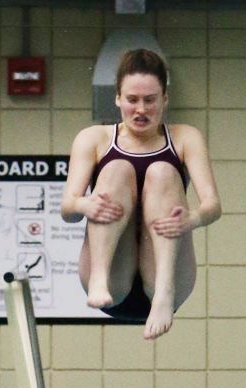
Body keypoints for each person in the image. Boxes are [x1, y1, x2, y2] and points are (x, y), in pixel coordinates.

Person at [61, 48, 221, 341]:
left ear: (165, 99)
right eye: (132, 100)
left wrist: (192, 219)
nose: (141, 109)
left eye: (150, 100)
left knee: (162, 171)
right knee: (117, 169)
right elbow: (68, 210)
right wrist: (85, 203)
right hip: (113, 279)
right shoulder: (94, 139)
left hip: (164, 274)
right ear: (118, 98)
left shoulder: (185, 137)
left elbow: (212, 205)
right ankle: (99, 276)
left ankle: (163, 292)